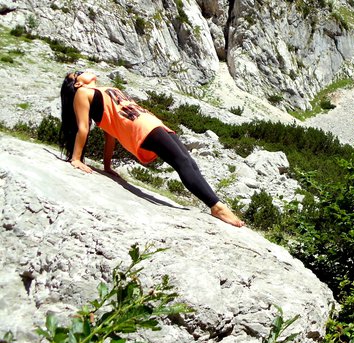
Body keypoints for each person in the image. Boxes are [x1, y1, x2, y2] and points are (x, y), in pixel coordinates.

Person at [59, 70, 245, 227]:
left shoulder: (100, 90)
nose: (85, 72)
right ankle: (217, 207)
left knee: (188, 161)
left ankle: (216, 205)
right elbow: (83, 127)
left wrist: (107, 167)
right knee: (181, 162)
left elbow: (110, 133)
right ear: (76, 84)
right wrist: (76, 158)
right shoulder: (82, 93)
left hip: (150, 122)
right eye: (79, 73)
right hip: (140, 127)